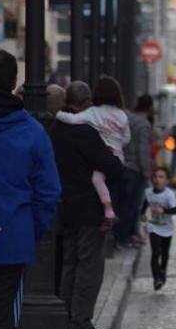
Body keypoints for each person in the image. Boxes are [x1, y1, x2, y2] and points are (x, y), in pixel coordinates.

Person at [0, 49, 61, 329]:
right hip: (11, 238)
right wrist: (30, 231)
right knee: (1, 319)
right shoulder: (31, 132)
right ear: (16, 82)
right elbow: (48, 194)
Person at [51, 80, 124, 329]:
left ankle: (64, 313)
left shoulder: (56, 128)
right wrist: (116, 163)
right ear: (85, 103)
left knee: (70, 261)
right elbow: (110, 165)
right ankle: (80, 319)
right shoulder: (86, 130)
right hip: (89, 207)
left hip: (65, 205)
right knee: (89, 264)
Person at [56, 76, 131, 226]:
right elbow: (127, 137)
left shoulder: (93, 113)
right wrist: (117, 144)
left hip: (72, 200)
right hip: (116, 153)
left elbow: (73, 120)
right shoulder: (121, 115)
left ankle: (107, 209)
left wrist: (57, 114)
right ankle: (109, 212)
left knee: (97, 179)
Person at [118, 94, 155, 248]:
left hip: (123, 165)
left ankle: (120, 235)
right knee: (133, 205)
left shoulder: (128, 119)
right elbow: (143, 150)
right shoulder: (144, 124)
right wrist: (146, 170)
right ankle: (126, 236)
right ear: (150, 107)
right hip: (135, 169)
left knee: (122, 204)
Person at [142, 167, 176, 291]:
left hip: (167, 229)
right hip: (154, 227)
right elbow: (146, 203)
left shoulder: (169, 194)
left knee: (164, 254)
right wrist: (142, 214)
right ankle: (156, 279)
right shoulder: (149, 192)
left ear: (166, 181)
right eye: (155, 177)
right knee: (155, 253)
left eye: (161, 177)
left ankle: (163, 269)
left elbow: (175, 210)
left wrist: (164, 210)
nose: (157, 179)